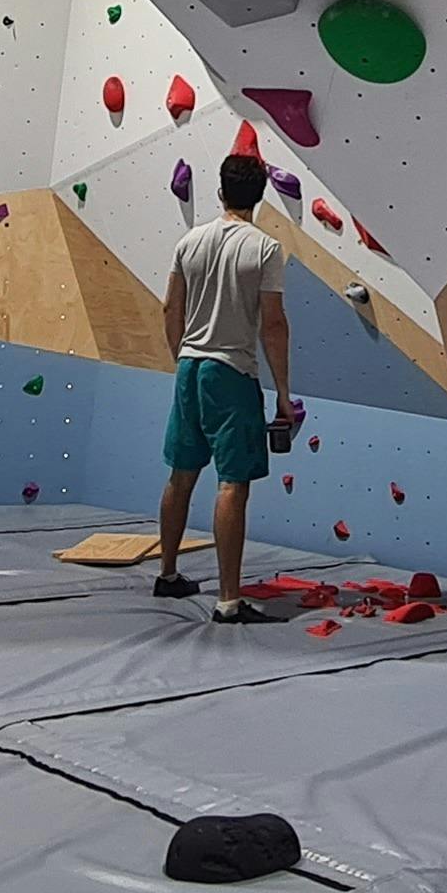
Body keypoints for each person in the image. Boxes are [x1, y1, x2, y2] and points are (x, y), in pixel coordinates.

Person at [154, 151, 293, 622]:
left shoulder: (189, 242)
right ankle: (229, 601)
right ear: (260, 197)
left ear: (220, 192)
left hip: (189, 368)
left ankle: (168, 574)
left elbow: (170, 307)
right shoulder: (264, 249)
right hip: (231, 372)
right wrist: (283, 394)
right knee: (232, 485)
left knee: (181, 473)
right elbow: (273, 324)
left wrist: (181, 356)